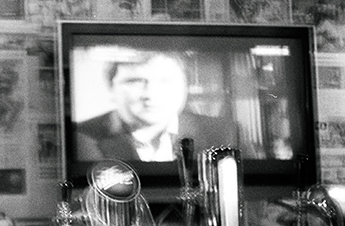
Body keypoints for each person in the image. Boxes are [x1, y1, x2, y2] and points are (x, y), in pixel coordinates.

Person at [74, 50, 235, 162]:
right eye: (135, 81)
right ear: (111, 88)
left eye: (166, 81)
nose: (151, 94)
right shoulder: (82, 136)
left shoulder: (223, 132)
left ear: (185, 86)